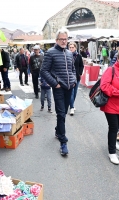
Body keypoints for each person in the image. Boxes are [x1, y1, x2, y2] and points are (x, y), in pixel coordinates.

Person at [40, 28, 76, 156]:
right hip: (59, 88)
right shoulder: (50, 52)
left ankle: (57, 130)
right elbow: (43, 71)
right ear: (56, 40)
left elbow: (72, 69)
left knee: (63, 113)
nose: (64, 41)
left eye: (66, 39)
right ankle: (63, 142)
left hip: (69, 87)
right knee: (61, 114)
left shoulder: (69, 53)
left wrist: (74, 80)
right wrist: (55, 84)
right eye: (61, 39)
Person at [68, 42, 84, 115]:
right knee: (71, 93)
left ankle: (71, 104)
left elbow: (81, 65)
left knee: (74, 93)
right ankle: (71, 107)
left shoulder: (79, 56)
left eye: (72, 47)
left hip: (77, 77)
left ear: (75, 48)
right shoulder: (66, 55)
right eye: (70, 47)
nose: (71, 49)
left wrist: (80, 73)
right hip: (69, 77)